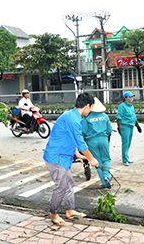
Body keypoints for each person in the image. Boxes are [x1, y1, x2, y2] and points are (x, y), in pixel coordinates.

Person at [43, 92, 99, 226]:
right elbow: (81, 143)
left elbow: (71, 138)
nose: (91, 110)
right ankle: (53, 214)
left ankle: (69, 211)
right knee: (61, 187)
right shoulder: (73, 119)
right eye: (91, 108)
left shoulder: (73, 116)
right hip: (56, 158)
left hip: (63, 156)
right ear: (87, 106)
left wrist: (78, 154)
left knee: (69, 182)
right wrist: (92, 159)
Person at [82, 97, 113, 189]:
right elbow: (109, 130)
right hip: (103, 140)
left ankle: (104, 182)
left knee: (97, 161)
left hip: (92, 141)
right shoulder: (105, 116)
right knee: (106, 159)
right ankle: (106, 176)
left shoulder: (87, 117)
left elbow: (84, 131)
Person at [116, 91, 142, 166]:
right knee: (125, 143)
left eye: (132, 97)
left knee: (129, 143)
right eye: (130, 97)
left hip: (131, 126)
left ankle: (126, 157)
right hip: (125, 126)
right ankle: (125, 159)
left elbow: (134, 117)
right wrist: (119, 126)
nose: (131, 98)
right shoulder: (122, 106)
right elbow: (119, 116)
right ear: (126, 98)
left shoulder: (131, 106)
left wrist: (138, 126)